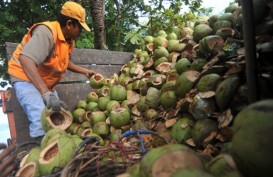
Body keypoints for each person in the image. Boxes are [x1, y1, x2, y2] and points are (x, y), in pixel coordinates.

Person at [8, 1, 97, 140]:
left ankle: (58, 149)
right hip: (24, 77)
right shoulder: (47, 32)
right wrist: (45, 93)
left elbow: (64, 62)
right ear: (69, 24)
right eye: (80, 27)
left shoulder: (68, 40)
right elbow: (26, 59)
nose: (80, 32)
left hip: (44, 82)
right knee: (40, 120)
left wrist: (84, 71)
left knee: (59, 118)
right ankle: (41, 154)